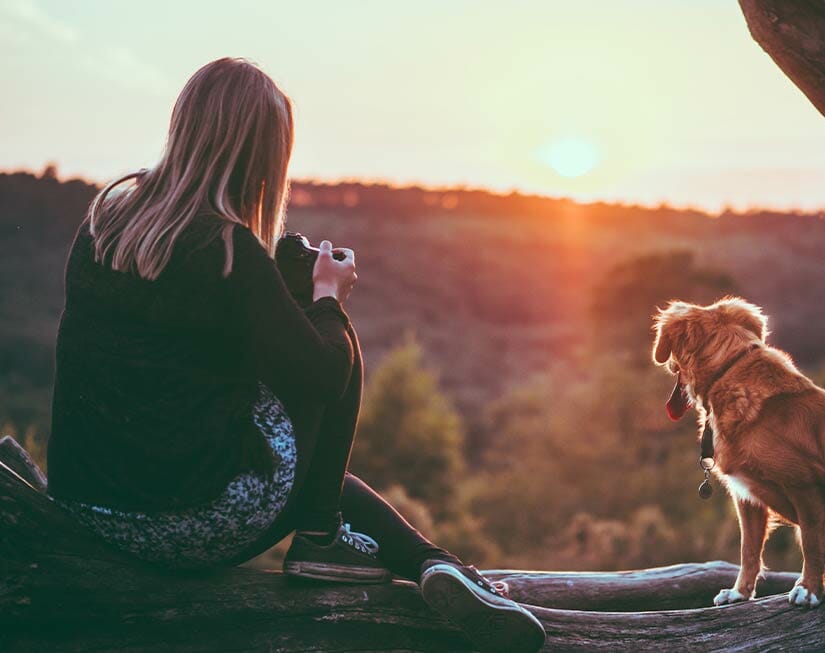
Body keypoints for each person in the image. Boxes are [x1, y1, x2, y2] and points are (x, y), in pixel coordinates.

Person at [45, 57, 545, 653]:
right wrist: (326, 297)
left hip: (86, 507)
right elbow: (323, 377)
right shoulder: (231, 249)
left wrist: (273, 281)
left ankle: (430, 563)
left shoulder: (104, 222)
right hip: (191, 527)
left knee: (319, 481)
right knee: (338, 352)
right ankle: (336, 542)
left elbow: (183, 325)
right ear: (262, 154)